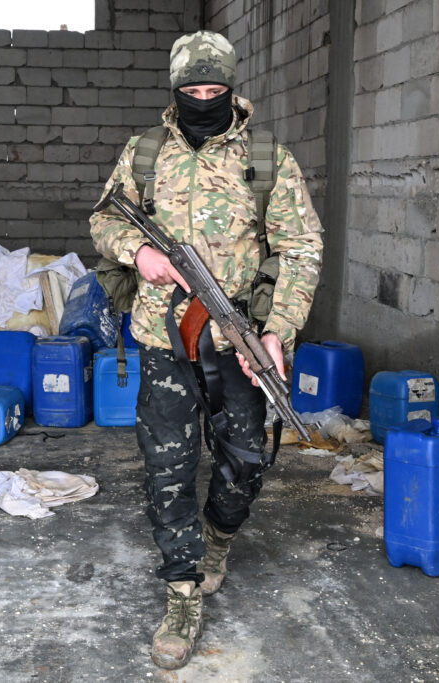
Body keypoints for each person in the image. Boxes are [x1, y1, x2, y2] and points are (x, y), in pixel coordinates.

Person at [89, 30, 324, 670]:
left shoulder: (268, 158)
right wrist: (140, 252)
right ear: (175, 90)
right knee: (167, 466)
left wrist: (277, 330)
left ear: (231, 87)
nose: (202, 99)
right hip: (161, 338)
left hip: (236, 336)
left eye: (213, 88)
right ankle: (182, 590)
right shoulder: (144, 154)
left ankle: (218, 537)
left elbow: (301, 249)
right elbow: (105, 217)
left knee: (245, 462)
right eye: (191, 90)